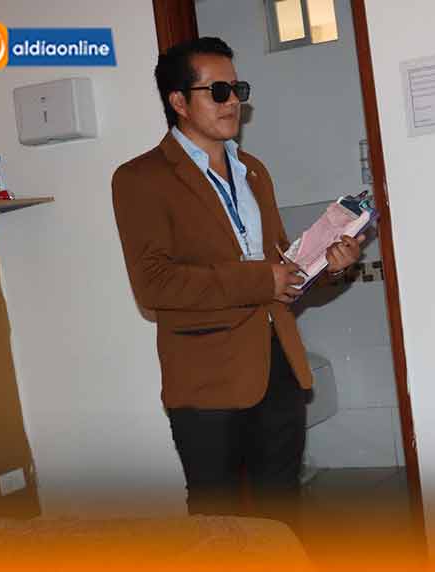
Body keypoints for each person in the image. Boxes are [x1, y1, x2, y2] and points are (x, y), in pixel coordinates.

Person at [111, 37, 364, 520]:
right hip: (205, 377)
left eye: (237, 89)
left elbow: (282, 268)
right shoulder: (140, 178)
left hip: (278, 366)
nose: (233, 102)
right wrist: (261, 281)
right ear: (179, 101)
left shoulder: (253, 171)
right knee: (218, 519)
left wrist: (329, 266)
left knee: (281, 510)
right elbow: (154, 283)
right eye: (219, 91)